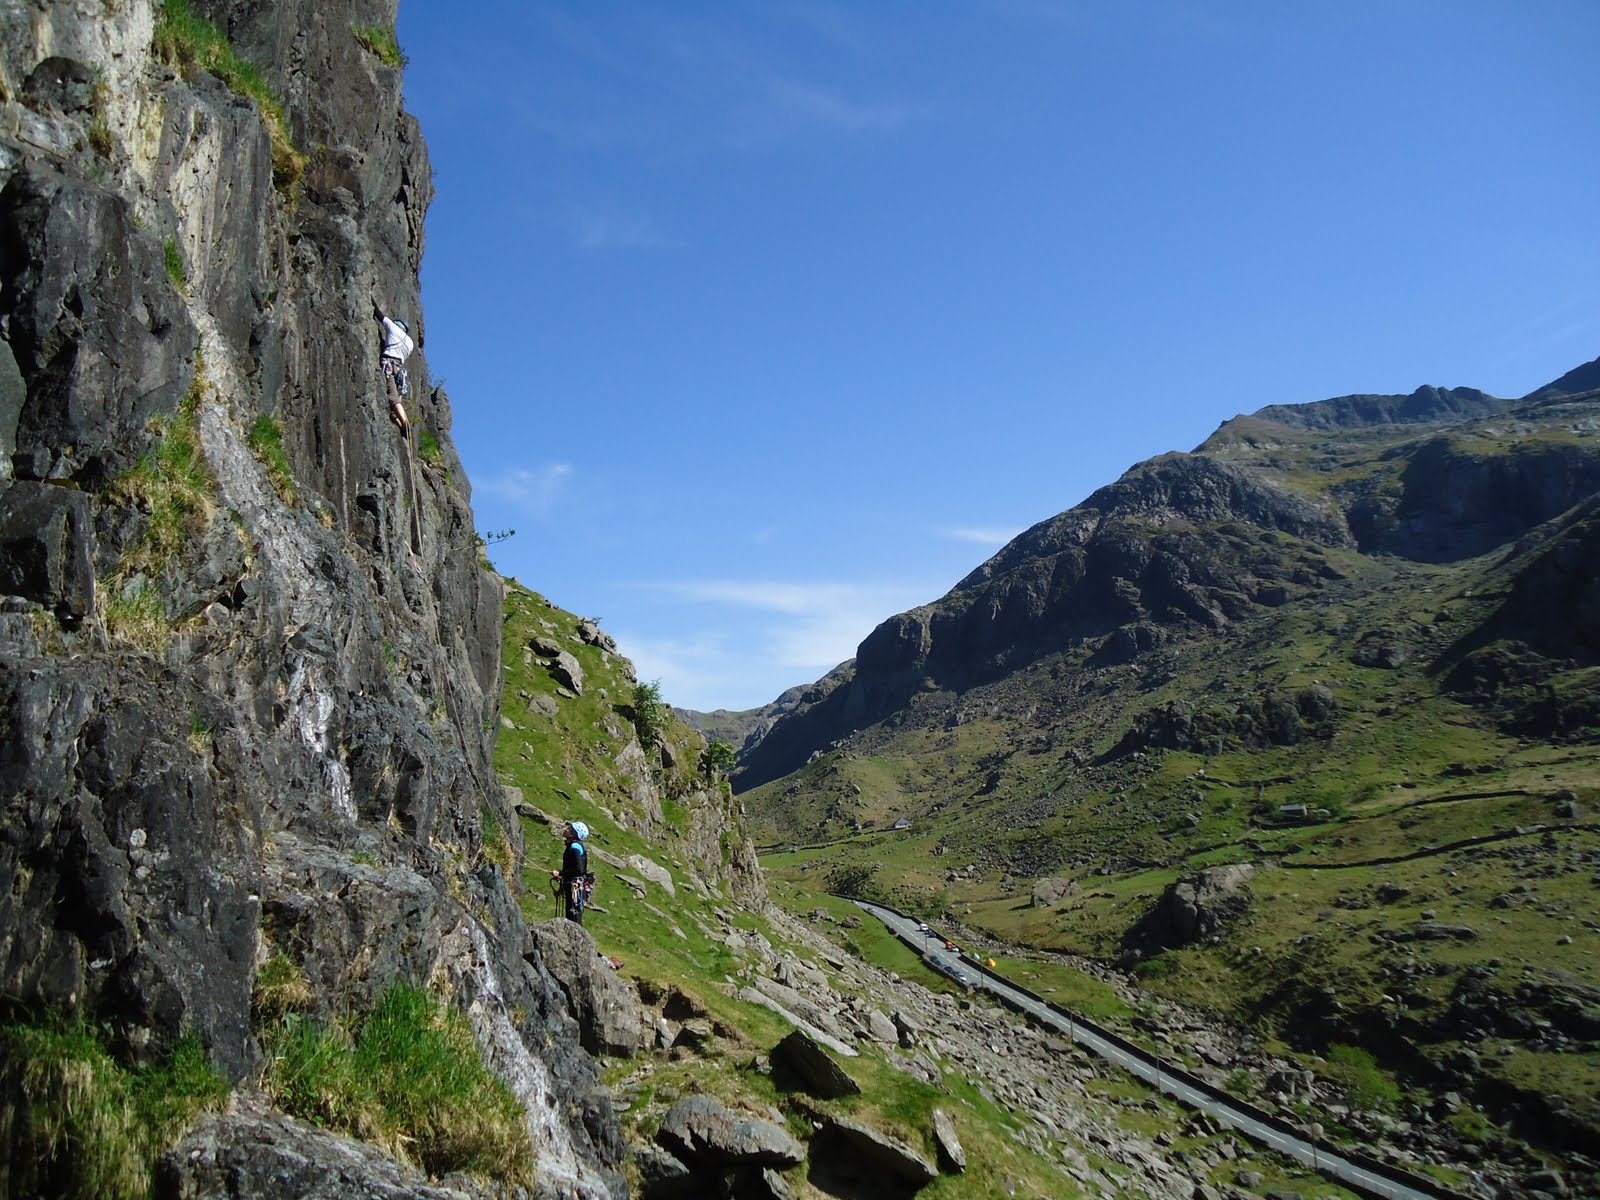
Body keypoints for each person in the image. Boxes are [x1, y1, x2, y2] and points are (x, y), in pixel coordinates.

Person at [373, 301, 415, 434]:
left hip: (389, 365)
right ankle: (401, 425)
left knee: (393, 398)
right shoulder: (410, 343)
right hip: (400, 372)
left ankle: (405, 422)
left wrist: (370, 297)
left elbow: (379, 314)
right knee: (395, 406)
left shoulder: (393, 328)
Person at [550, 820, 591, 924]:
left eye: (569, 829)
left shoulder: (574, 847)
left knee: (573, 912)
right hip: (575, 883)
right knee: (574, 911)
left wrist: (560, 873)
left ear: (573, 834)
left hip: (574, 885)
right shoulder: (575, 845)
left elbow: (578, 869)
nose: (566, 830)